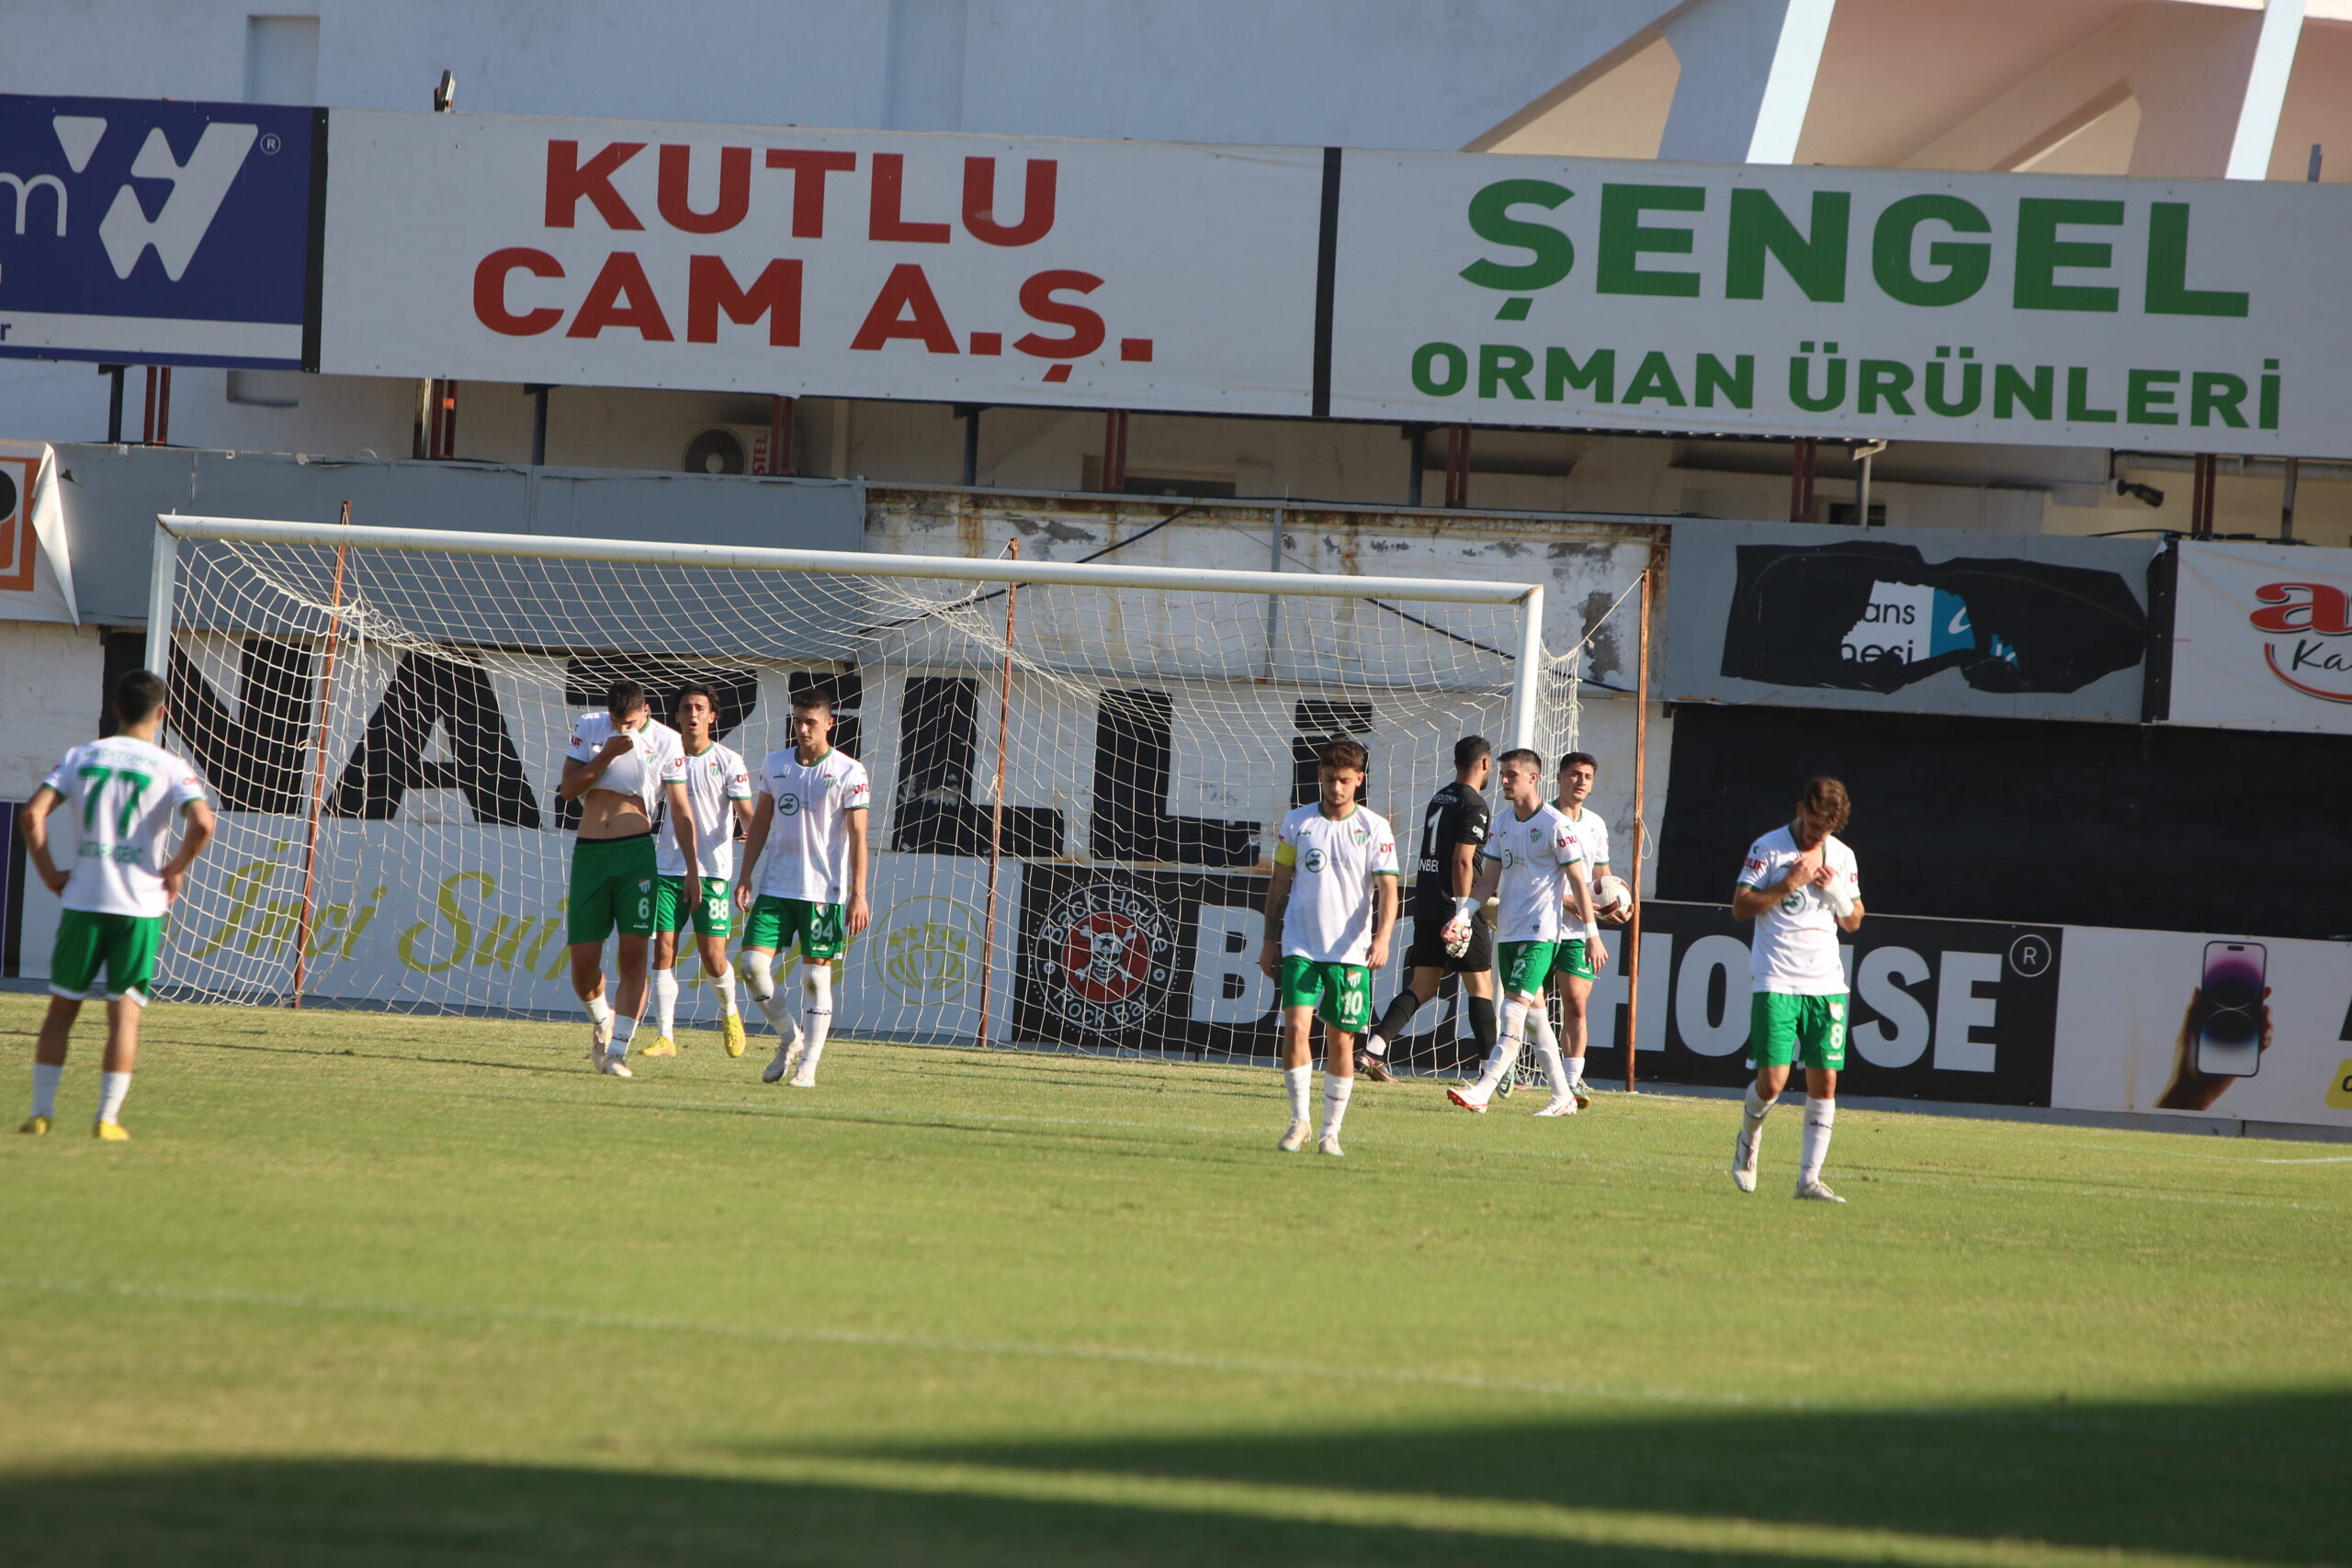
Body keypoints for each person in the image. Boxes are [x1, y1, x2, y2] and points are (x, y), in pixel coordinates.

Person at [17, 669, 215, 1140]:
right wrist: (177, 866)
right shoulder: (170, 766)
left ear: (117, 709)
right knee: (124, 1015)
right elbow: (204, 824)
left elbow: (31, 814)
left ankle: (42, 1113)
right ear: (161, 713)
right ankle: (106, 1119)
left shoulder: (80, 757)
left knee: (61, 1011)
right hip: (140, 906)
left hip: (85, 897)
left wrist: (48, 871)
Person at [1259, 738, 1398, 1156]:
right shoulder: (1298, 822)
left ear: (1359, 780)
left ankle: (1330, 1131)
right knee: (1297, 1027)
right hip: (1301, 945)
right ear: (1319, 777)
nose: (1336, 788)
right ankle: (1299, 1119)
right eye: (1329, 779)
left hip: (1351, 954)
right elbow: (1279, 883)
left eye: (1344, 780)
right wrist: (1269, 941)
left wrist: (1383, 937)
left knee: (1341, 1043)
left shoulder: (1374, 827)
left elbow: (1388, 891)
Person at [1729, 776, 1865, 1201]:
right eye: (1813, 826)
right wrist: (1788, 884)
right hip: (1777, 980)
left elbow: (1854, 920)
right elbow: (1740, 907)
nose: (1816, 836)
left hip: (1827, 984)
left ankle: (1808, 1180)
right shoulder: (1768, 848)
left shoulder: (1842, 856)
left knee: (1824, 1081)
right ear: (1800, 808)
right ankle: (1748, 1142)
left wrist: (1837, 892)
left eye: (1825, 830)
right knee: (1772, 1083)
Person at [1442, 748, 1600, 1115]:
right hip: (1509, 931)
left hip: (1540, 933)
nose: (1504, 781)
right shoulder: (1501, 822)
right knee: (1533, 1019)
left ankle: (1482, 1090)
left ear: (1533, 778)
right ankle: (1563, 1096)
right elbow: (1488, 881)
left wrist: (1592, 933)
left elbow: (1579, 881)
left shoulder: (1555, 825)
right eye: (1502, 774)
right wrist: (1463, 915)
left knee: (1511, 1012)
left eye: (1512, 774)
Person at [559, 680, 698, 1077]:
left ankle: (618, 1051)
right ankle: (603, 1020)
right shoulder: (590, 726)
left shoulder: (668, 742)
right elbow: (568, 790)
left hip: (635, 853)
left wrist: (692, 870)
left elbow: (681, 810)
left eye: (630, 723)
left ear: (647, 711)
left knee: (634, 955)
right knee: (583, 962)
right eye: (617, 722)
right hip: (590, 853)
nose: (622, 729)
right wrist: (605, 757)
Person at [737, 686, 870, 1089]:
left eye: (811, 721)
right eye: (797, 720)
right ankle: (789, 1038)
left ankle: (809, 1064)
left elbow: (859, 837)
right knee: (752, 968)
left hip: (824, 893)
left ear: (830, 724)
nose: (802, 728)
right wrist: (744, 876)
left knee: (815, 979)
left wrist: (858, 893)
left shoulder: (850, 771)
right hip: (777, 886)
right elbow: (759, 823)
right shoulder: (776, 764)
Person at [1356, 735, 1496, 1086]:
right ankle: (1492, 1071)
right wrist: (1463, 912)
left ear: (1455, 762)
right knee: (1481, 987)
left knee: (1422, 985)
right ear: (1484, 764)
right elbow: (1462, 859)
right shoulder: (1475, 804)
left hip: (1428, 902)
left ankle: (1374, 1048)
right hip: (1455, 906)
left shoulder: (1440, 796)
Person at [646, 685, 754, 1059]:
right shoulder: (664, 758)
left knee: (713, 958)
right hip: (666, 868)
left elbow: (746, 813)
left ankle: (730, 1012)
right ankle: (664, 1037)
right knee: (663, 949)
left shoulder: (728, 761)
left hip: (713, 873)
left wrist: (756, 834)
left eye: (700, 708)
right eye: (686, 708)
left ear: (712, 716)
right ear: (676, 717)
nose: (692, 714)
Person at [1523, 751, 1613, 1113]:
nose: (1581, 781)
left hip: (1578, 931)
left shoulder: (1596, 825)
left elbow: (1600, 876)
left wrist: (1615, 901)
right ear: (1558, 778)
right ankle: (1508, 1066)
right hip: (1538, 924)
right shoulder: (1540, 820)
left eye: (1588, 776)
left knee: (1576, 1004)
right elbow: (1530, 877)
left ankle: (1572, 1084)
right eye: (1575, 774)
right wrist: (1570, 900)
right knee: (1529, 1007)